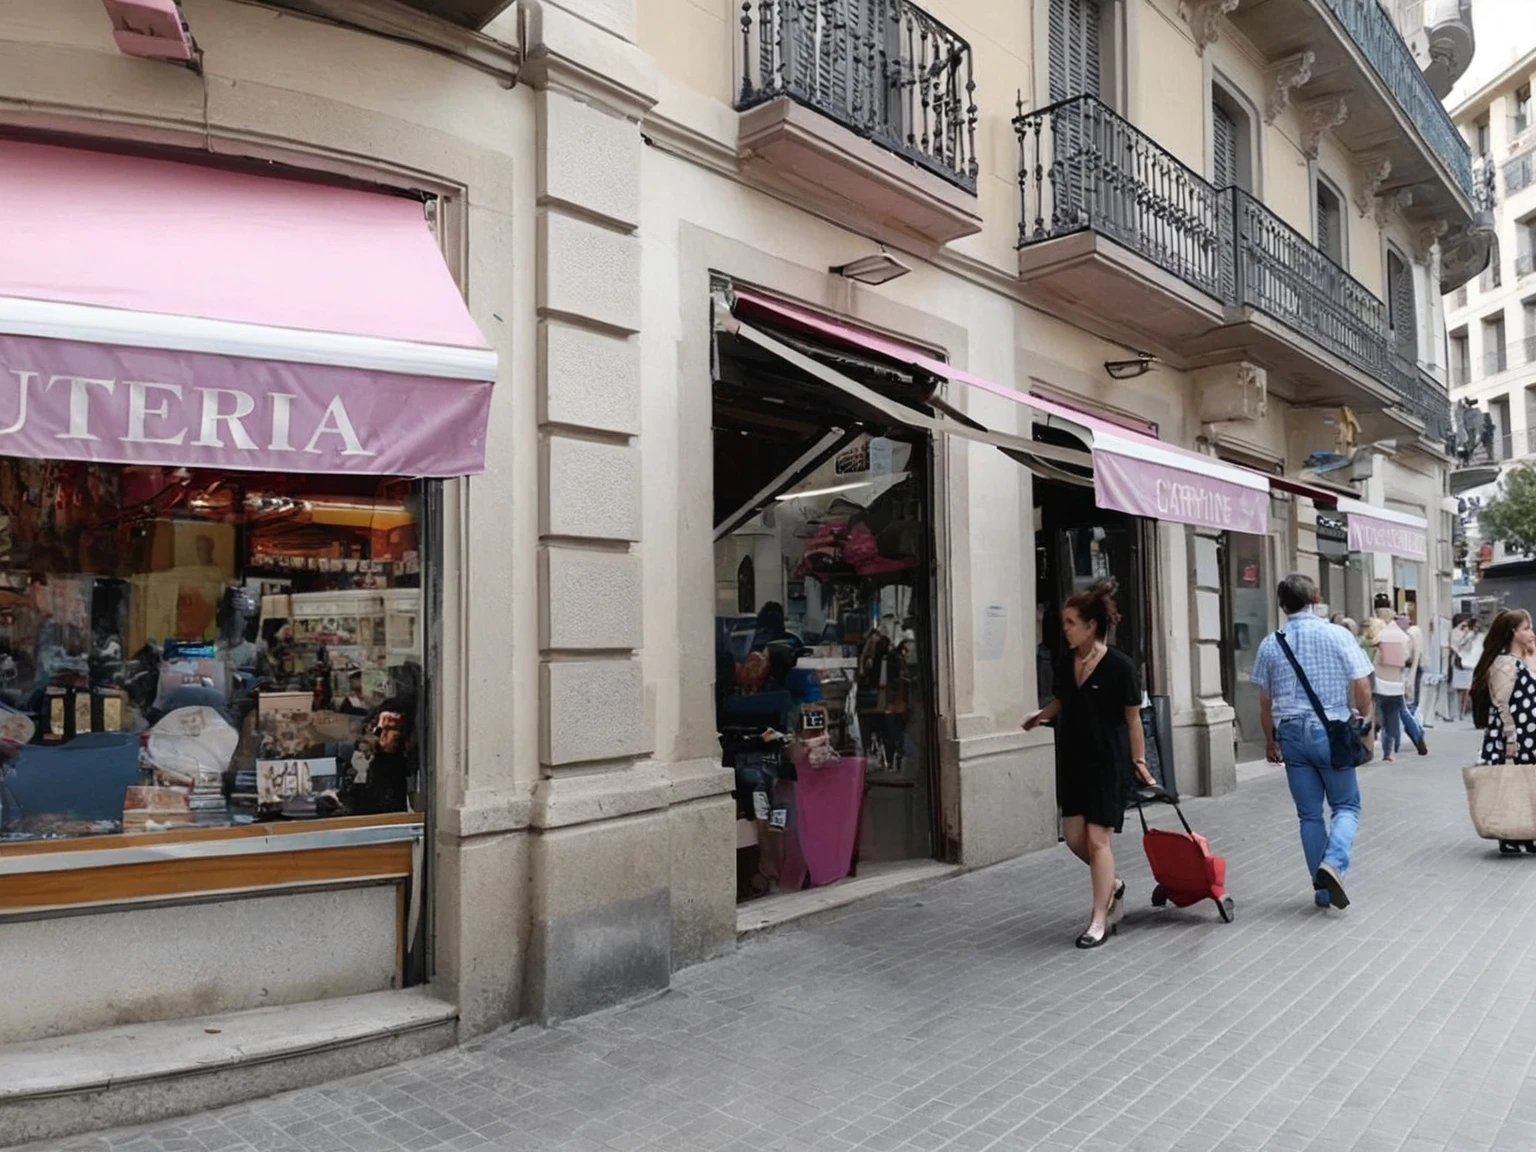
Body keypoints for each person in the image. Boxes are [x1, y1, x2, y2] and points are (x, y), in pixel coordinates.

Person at [1023, 579, 1155, 949]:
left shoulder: (1120, 666)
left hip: (1108, 762)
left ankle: (1098, 920)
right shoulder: (1068, 663)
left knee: (1099, 840)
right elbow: (1063, 700)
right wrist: (1040, 715)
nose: (1063, 629)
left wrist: (1139, 761)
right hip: (1073, 758)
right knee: (1076, 839)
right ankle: (1111, 883)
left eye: (1069, 622)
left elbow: (1132, 719)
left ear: (1090, 625)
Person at [1251, 573, 1374, 911]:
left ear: (1282, 604)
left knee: (1308, 815)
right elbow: (1362, 687)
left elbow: (1264, 701)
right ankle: (1333, 863)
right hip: (1330, 729)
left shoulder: (1270, 643)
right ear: (1315, 598)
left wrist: (1269, 742)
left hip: (1290, 732)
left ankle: (1322, 891)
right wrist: (1365, 725)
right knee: (1347, 806)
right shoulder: (1338, 635)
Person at [1470, 610, 1536, 855]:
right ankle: (1508, 835)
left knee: (1527, 785)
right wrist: (1510, 737)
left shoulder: (1522, 661)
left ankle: (1526, 833)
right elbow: (1502, 703)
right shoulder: (1505, 663)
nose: (1531, 633)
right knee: (1510, 783)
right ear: (1513, 633)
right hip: (1514, 737)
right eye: (1526, 628)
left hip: (1528, 736)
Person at [1371, 608, 1412, 761]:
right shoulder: (1402, 637)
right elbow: (1407, 657)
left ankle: (1381, 747)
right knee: (1393, 717)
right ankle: (1389, 751)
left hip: (1378, 683)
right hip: (1394, 684)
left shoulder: (1377, 638)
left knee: (1379, 716)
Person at [1451, 615, 1480, 718]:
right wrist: (1466, 636)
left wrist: (1471, 636)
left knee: (1467, 688)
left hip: (1469, 660)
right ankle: (1457, 711)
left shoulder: (1468, 633)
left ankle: (1462, 711)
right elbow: (1456, 646)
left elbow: (1470, 647)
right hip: (1460, 661)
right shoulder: (1455, 632)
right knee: (1459, 688)